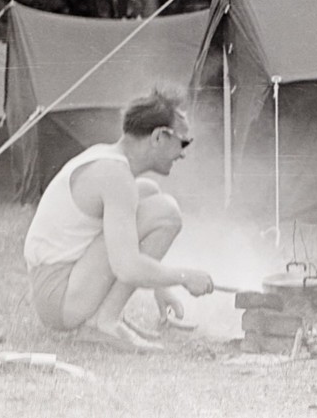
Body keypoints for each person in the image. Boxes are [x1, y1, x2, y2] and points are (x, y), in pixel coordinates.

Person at [23, 87, 214, 351]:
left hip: (55, 291)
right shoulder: (114, 175)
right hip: (59, 297)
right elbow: (126, 266)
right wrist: (184, 277)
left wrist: (161, 288)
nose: (183, 153)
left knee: (149, 192)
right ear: (159, 136)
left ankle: (105, 318)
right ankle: (105, 322)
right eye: (183, 142)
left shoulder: (109, 160)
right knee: (166, 212)